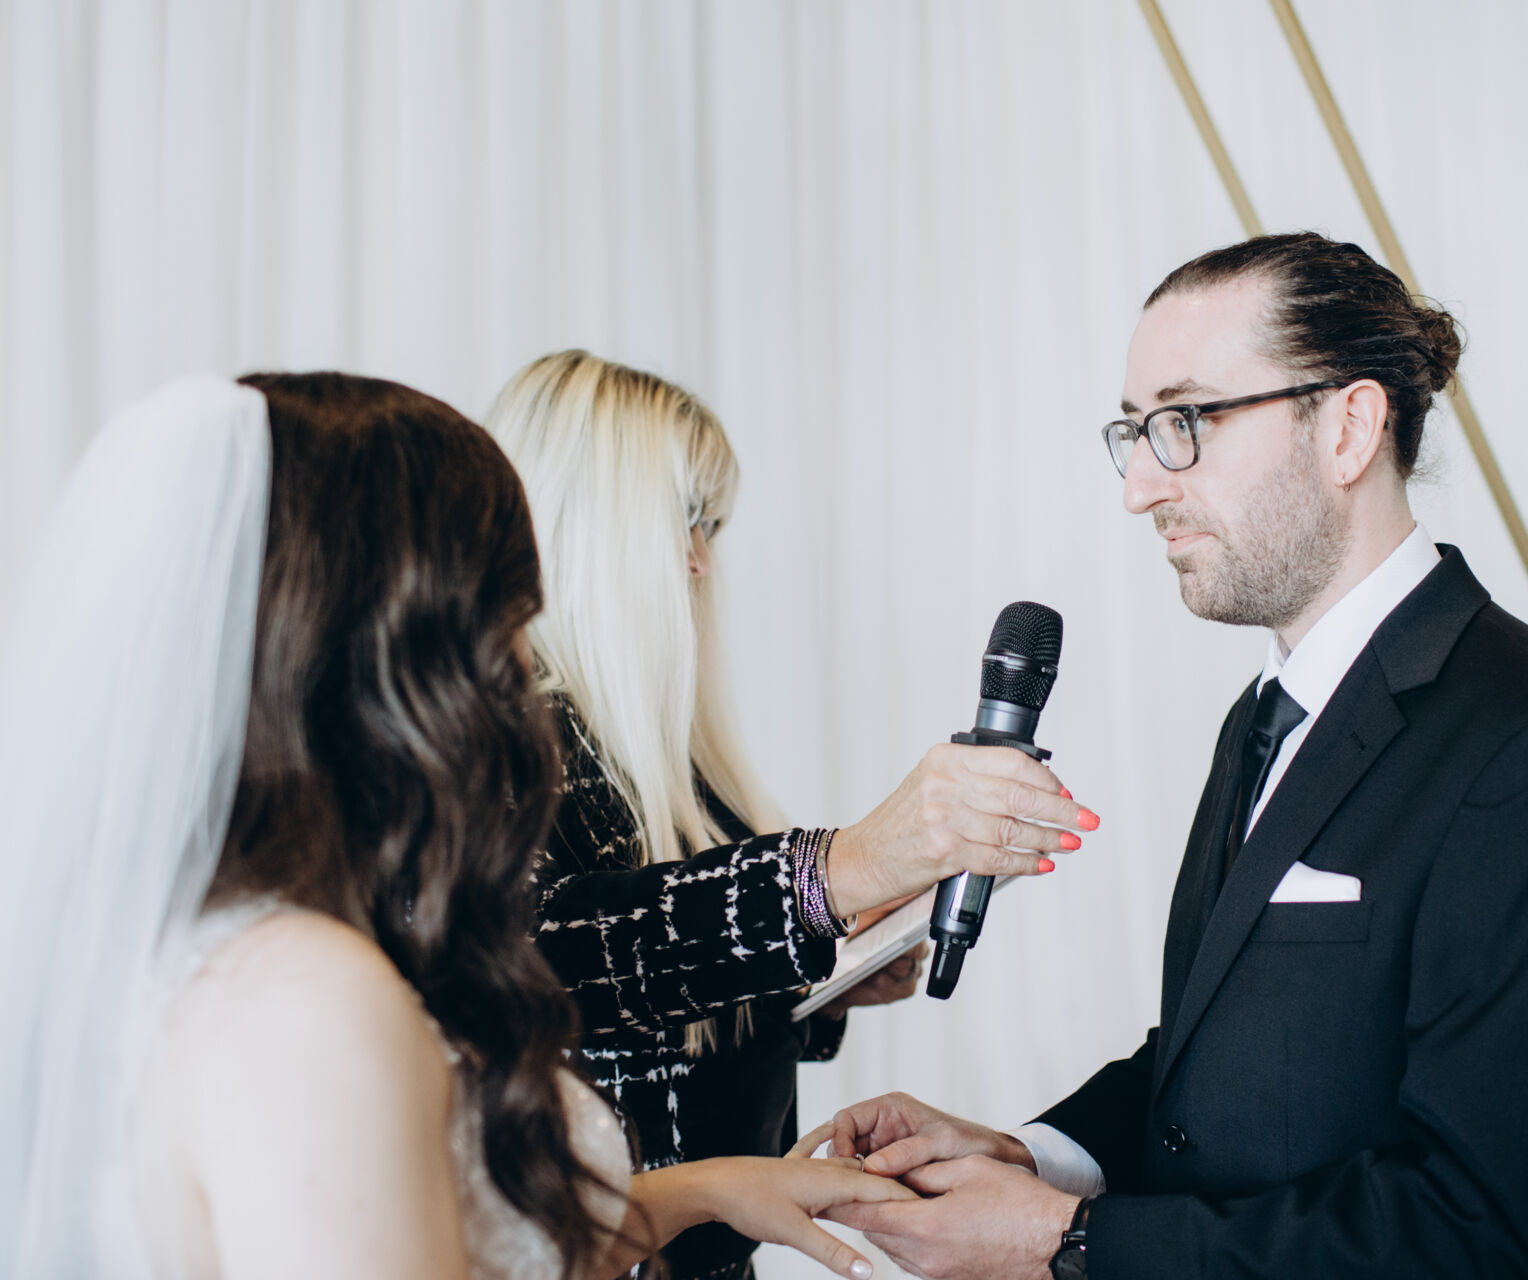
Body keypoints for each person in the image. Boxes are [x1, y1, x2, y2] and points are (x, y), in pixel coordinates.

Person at [801, 233, 1528, 1279]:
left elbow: (1491, 1233)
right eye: (1134, 431)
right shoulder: (1265, 715)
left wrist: (1062, 1239)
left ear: (1348, 428)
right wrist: (1028, 1155)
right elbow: (1228, 1059)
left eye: (1185, 423)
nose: (1140, 487)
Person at [0, 373, 911, 1280]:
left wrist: (709, 1187)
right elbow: (561, 948)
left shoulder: (249, 947)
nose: (522, 667)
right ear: (398, 653)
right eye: (509, 618)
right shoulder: (311, 1001)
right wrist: (836, 872)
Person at [483, 350, 1098, 1280]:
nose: (700, 560)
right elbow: (549, 959)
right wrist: (837, 871)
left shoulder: (679, 769)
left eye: (712, 527)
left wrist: (826, 975)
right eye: (684, 519)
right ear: (582, 523)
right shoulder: (497, 748)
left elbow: (668, 1002)